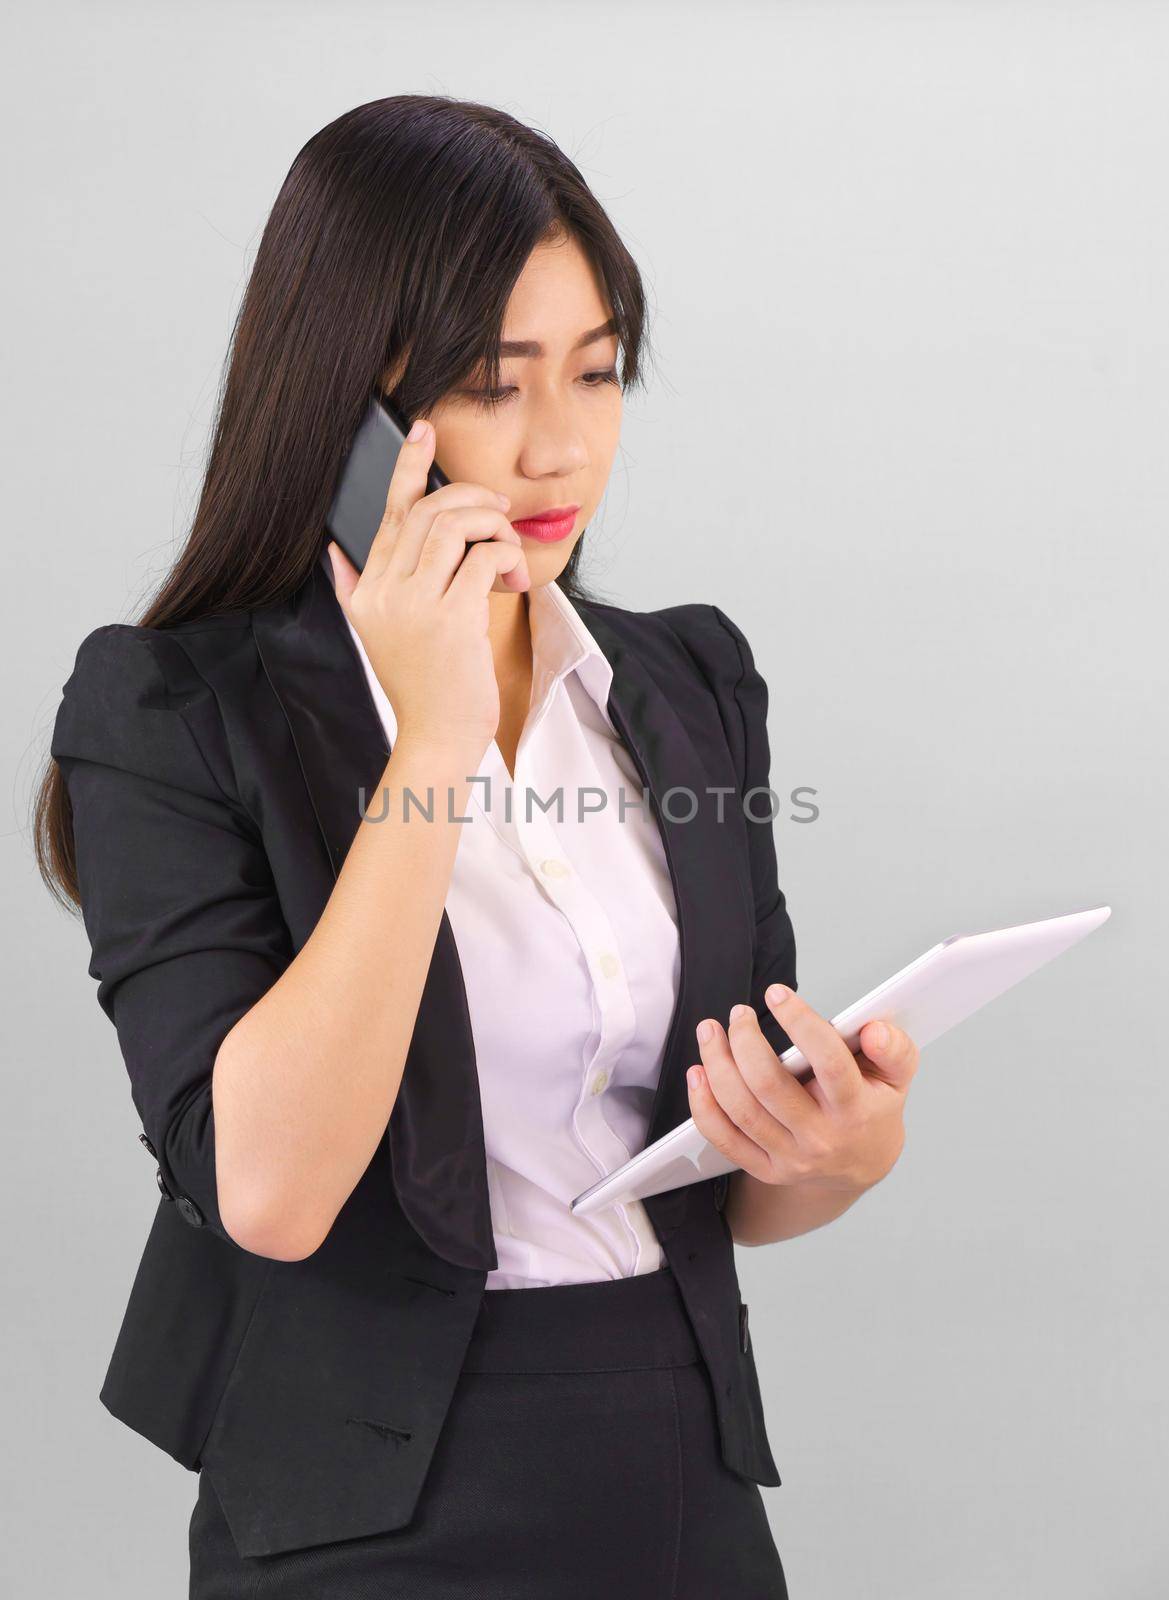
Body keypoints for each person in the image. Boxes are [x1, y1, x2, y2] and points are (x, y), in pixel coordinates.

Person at [34, 94, 918, 1599]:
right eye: (491, 386)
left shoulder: (681, 683)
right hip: (362, 1503)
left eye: (597, 373)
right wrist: (431, 743)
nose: (560, 444)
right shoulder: (173, 709)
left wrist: (840, 1151)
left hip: (675, 1461)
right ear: (355, 409)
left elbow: (726, 1167)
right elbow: (271, 1191)